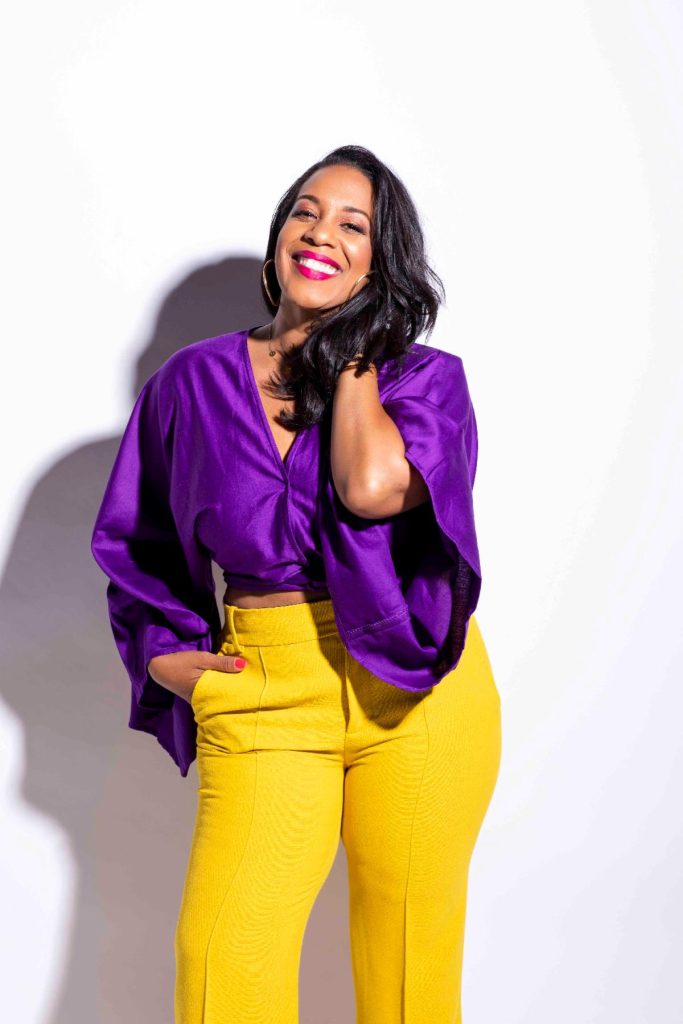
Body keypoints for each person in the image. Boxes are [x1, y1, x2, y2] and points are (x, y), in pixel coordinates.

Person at [91, 144, 502, 1023]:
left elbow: (369, 487)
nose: (320, 234)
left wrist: (353, 353)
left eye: (353, 225)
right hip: (266, 685)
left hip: (417, 687)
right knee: (223, 960)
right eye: (305, 212)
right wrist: (165, 658)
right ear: (280, 233)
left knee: (405, 977)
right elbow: (137, 538)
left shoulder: (424, 383)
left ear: (381, 261)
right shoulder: (188, 385)